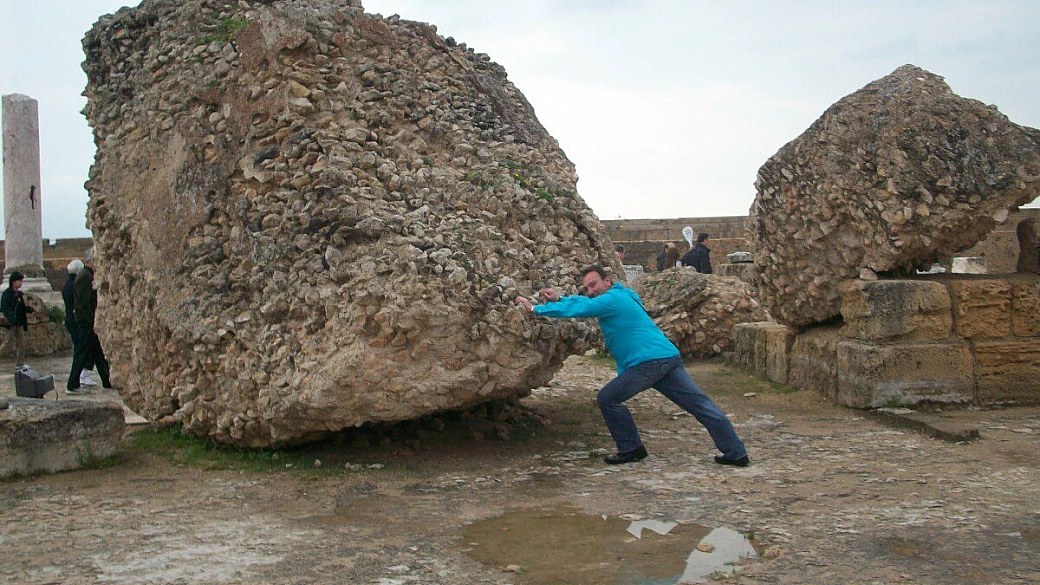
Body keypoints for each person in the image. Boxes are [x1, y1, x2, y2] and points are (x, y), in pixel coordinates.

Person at [514, 265, 749, 466]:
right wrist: (560, 298)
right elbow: (586, 303)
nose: (591, 290)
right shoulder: (622, 295)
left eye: (594, 284)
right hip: (666, 357)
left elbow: (583, 308)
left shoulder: (613, 298)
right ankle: (736, 453)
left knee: (608, 398)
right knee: (700, 405)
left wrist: (536, 309)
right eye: (587, 287)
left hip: (648, 362)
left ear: (608, 281)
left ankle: (631, 449)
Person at [66, 249, 112, 394]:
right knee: (82, 352)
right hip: (86, 322)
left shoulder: (86, 275)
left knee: (98, 352)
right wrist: (92, 319)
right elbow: (84, 302)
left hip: (89, 321)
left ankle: (107, 380)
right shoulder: (85, 277)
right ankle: (72, 384)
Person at [62, 260, 97, 386]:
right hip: (80, 320)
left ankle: (105, 379)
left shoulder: (67, 285)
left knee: (92, 349)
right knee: (82, 349)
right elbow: (82, 303)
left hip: (72, 318)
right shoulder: (79, 282)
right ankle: (79, 377)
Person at [1, 271, 35, 370]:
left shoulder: (19, 294)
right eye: (19, 281)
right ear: (13, 282)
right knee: (8, 344)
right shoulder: (7, 294)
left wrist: (30, 309)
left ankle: (20, 363)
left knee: (23, 344)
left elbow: (22, 307)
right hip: (11, 322)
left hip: (19, 323)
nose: (21, 283)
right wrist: (12, 317)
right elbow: (4, 307)